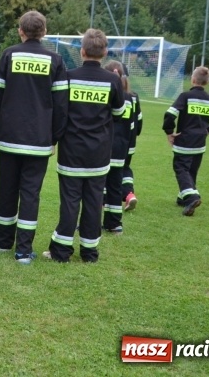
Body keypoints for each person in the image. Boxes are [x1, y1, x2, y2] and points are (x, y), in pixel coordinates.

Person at [0, 10, 68, 264]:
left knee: (6, 189)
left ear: (20, 31)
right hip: (39, 139)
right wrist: (54, 137)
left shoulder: (9, 55)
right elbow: (61, 104)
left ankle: (3, 242)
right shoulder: (56, 60)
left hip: (9, 135)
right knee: (31, 194)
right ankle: (23, 250)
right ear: (44, 32)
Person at [45, 28, 125, 263]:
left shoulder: (68, 77)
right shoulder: (113, 80)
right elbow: (119, 113)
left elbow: (60, 111)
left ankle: (61, 251)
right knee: (93, 202)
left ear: (81, 51)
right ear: (105, 52)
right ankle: (89, 253)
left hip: (71, 151)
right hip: (99, 152)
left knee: (70, 202)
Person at [163, 66, 209, 216]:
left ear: (192, 79)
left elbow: (170, 114)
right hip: (200, 143)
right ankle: (182, 198)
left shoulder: (185, 96)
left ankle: (192, 197)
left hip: (184, 140)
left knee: (181, 169)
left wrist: (169, 132)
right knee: (191, 170)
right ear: (208, 82)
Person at [101, 60, 133, 234]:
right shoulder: (130, 98)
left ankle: (90, 223)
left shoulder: (107, 94)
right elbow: (133, 126)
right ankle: (114, 223)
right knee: (115, 186)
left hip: (105, 146)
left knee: (97, 187)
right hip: (121, 148)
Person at [122, 68, 143, 211]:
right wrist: (136, 134)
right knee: (125, 168)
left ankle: (105, 199)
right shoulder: (133, 96)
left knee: (109, 170)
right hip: (129, 141)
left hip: (113, 141)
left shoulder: (114, 94)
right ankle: (129, 194)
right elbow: (139, 118)